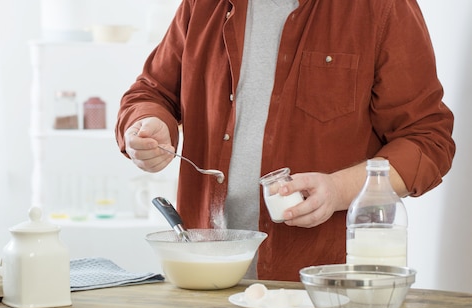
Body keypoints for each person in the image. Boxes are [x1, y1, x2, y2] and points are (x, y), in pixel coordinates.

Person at [115, 0, 455, 281]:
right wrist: (148, 124)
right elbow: (151, 91)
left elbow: (427, 140)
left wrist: (339, 189)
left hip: (322, 290)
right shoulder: (203, 6)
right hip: (202, 281)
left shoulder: (380, 8)